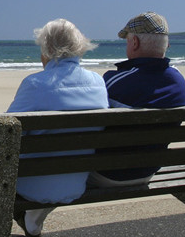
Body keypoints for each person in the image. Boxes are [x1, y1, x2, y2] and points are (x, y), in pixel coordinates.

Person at [6, 19, 108, 236]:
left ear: (46, 48)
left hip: (30, 186)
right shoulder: (98, 83)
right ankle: (33, 219)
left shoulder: (35, 84)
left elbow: (5, 136)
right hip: (75, 183)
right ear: (80, 46)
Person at [88, 11, 185, 188]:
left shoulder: (116, 81)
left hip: (107, 174)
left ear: (134, 43)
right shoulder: (178, 81)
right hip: (148, 172)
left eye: (127, 41)